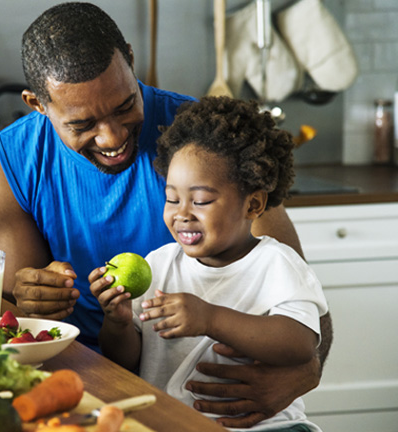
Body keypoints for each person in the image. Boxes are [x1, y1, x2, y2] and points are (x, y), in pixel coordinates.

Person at [0, 2, 333, 428]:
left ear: (130, 58)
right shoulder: (5, 163)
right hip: (78, 382)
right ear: (38, 104)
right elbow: (21, 318)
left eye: (125, 105)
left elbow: (303, 302)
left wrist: (302, 374)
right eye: (82, 123)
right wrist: (31, 295)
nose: (112, 137)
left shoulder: (202, 144)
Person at [89, 96, 328, 431]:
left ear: (253, 204)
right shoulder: (159, 264)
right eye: (172, 198)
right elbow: (126, 361)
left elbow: (300, 344)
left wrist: (210, 318)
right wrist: (117, 322)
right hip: (173, 424)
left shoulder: (276, 264)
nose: (182, 214)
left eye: (201, 200)